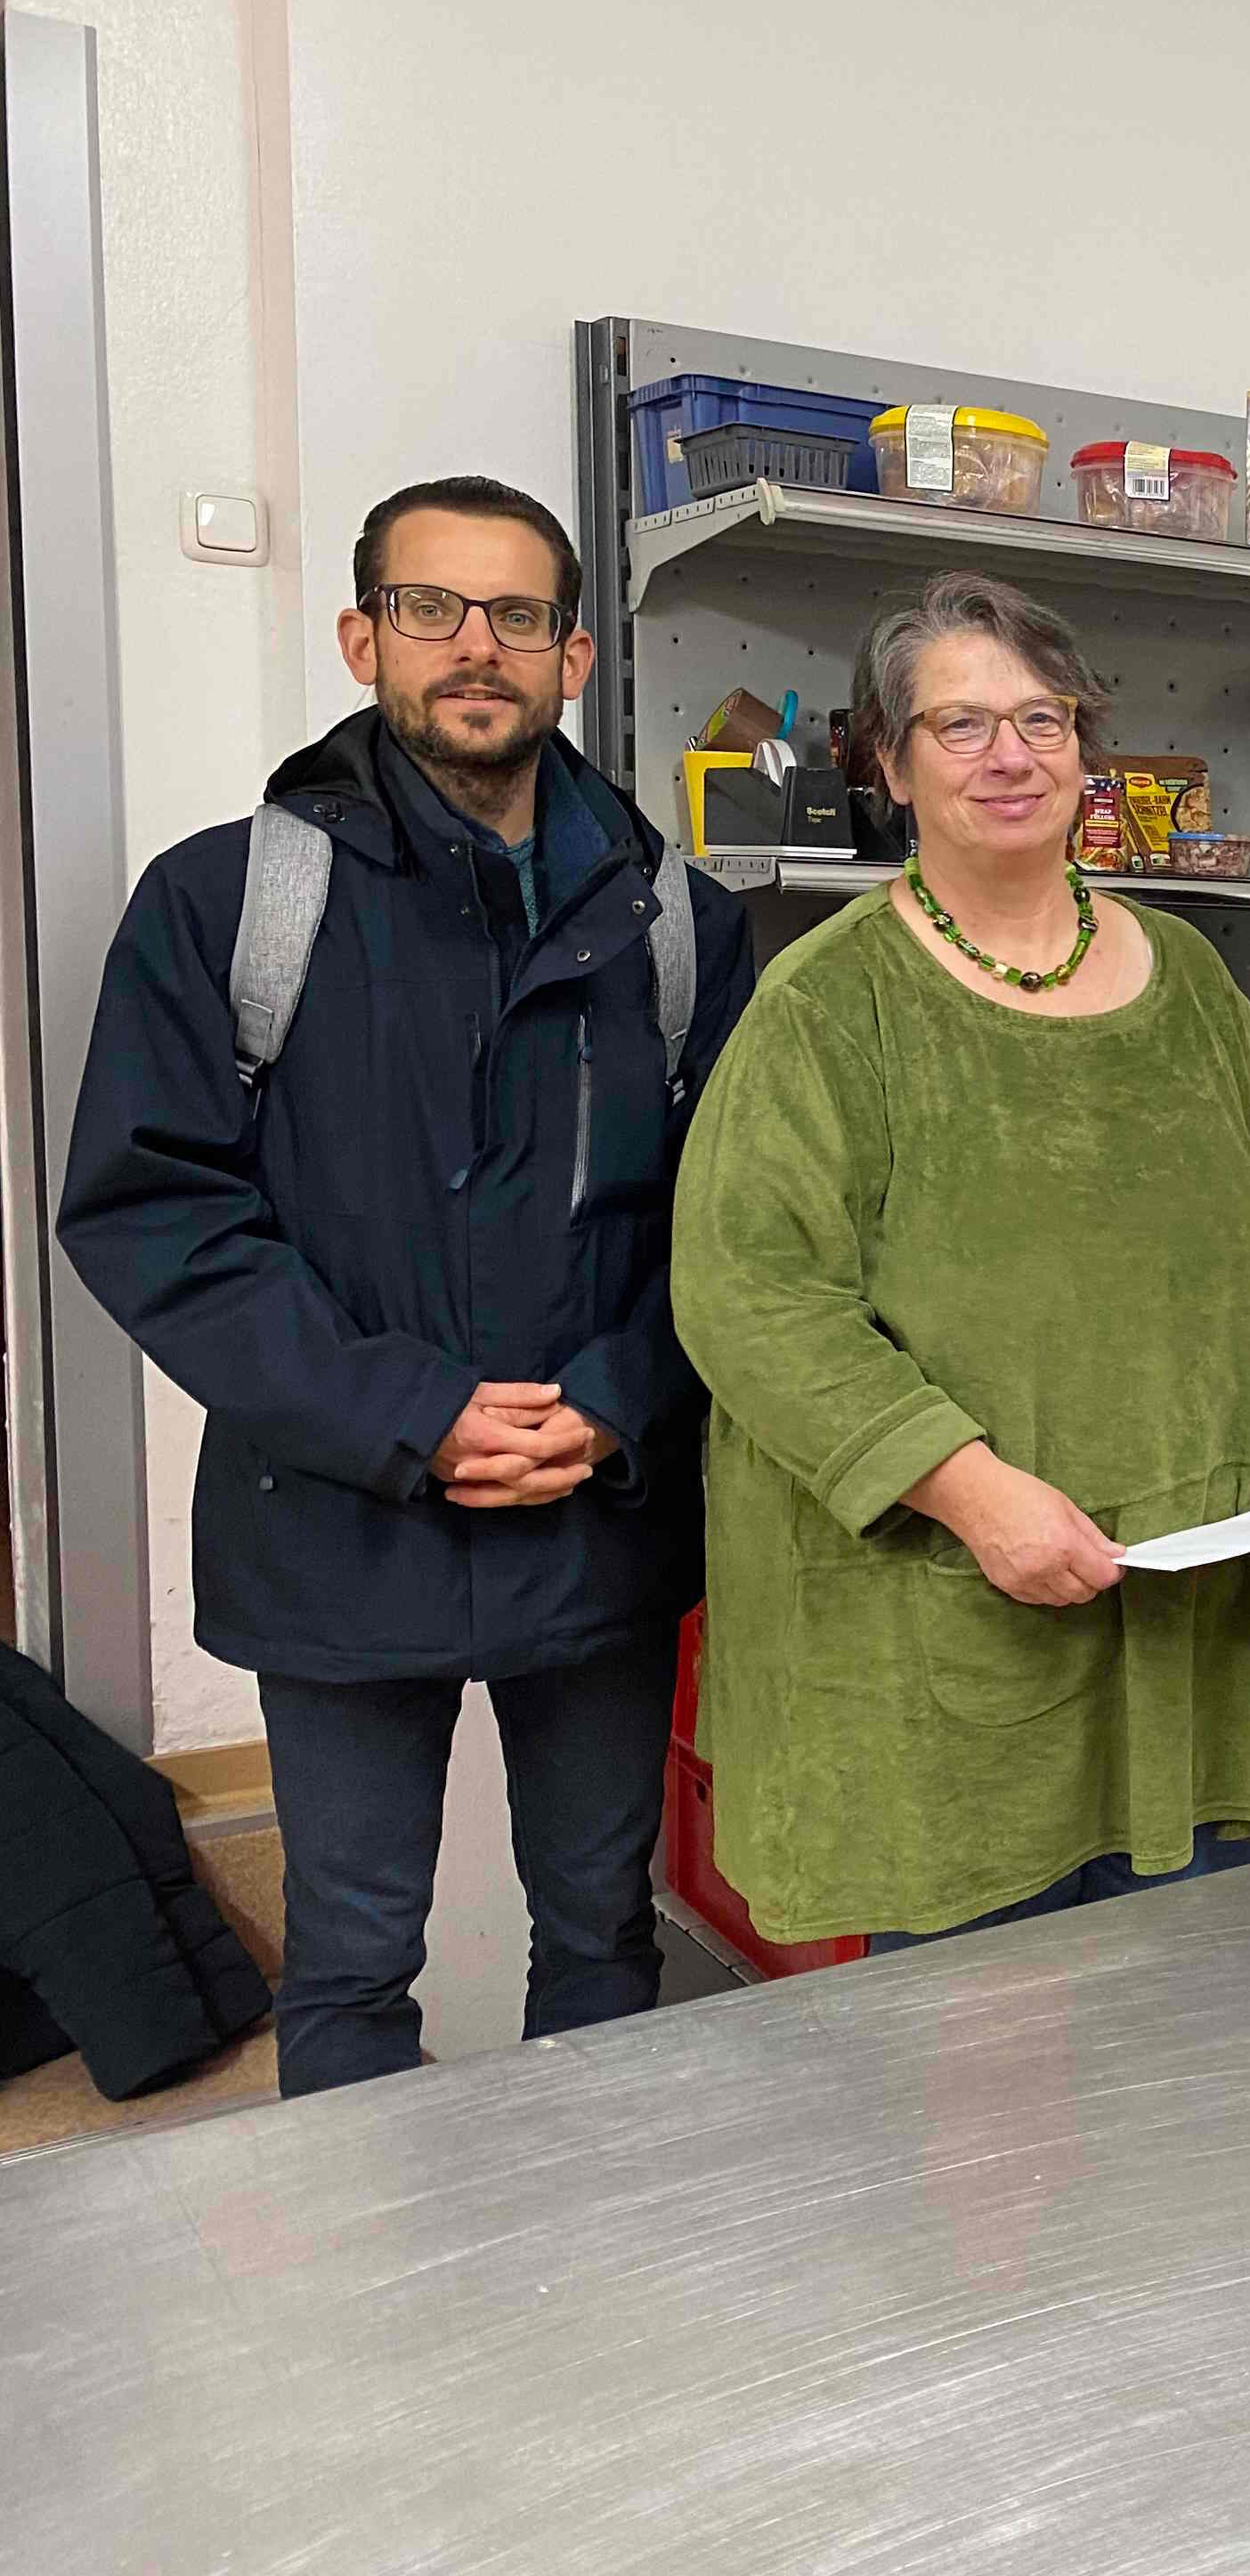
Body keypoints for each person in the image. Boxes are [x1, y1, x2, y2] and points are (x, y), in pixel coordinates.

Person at [60, 474, 754, 2095]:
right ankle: (380, 2332)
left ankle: (589, 2285)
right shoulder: (228, 903)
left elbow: (740, 1235)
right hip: (340, 1524)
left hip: (597, 1519)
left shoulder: (683, 930)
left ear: (574, 656)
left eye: (517, 615)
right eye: (433, 608)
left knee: (602, 1934)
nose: (474, 647)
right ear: (364, 632)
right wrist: (411, 1412)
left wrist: (609, 1401)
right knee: (357, 1958)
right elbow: (155, 1212)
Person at [673, 571, 1250, 1949]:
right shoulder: (828, 1009)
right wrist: (976, 1496)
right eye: (961, 726)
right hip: (947, 1646)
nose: (1011, 757)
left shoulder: (1189, 983)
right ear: (888, 763)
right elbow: (751, 1298)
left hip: (1189, 1619)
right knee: (994, 2102)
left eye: (1041, 719)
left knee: (1188, 2041)